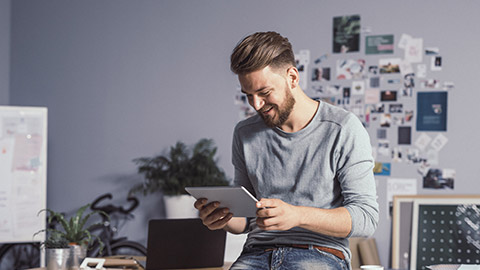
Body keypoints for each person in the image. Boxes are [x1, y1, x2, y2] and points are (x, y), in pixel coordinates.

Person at [194, 31, 379, 270]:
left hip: (320, 253)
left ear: (292, 77)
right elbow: (248, 219)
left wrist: (298, 215)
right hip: (257, 254)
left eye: (264, 93)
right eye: (248, 95)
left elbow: (366, 217)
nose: (256, 105)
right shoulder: (244, 133)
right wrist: (223, 219)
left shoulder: (343, 128)